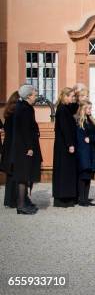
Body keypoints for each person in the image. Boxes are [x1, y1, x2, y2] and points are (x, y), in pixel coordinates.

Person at [11, 85, 43, 215]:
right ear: (28, 96)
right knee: (23, 177)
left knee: (24, 176)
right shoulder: (25, 109)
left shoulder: (23, 107)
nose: (36, 96)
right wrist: (29, 147)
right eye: (34, 94)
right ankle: (21, 206)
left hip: (22, 147)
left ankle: (23, 203)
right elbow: (25, 130)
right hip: (24, 148)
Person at [52, 87, 78, 207]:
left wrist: (77, 95)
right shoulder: (62, 109)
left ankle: (68, 197)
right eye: (71, 96)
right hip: (64, 146)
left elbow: (75, 106)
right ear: (65, 96)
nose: (73, 99)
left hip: (66, 145)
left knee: (68, 171)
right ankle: (62, 199)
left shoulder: (66, 108)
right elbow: (65, 128)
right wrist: (70, 144)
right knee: (63, 172)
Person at [75, 101, 95, 206]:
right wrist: (87, 139)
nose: (90, 110)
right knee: (83, 176)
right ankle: (81, 199)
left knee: (89, 176)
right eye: (88, 108)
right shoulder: (79, 122)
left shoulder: (92, 122)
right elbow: (79, 138)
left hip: (91, 152)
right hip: (83, 152)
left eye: (91, 108)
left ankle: (85, 198)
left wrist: (90, 139)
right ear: (83, 109)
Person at [1, 92, 20, 208]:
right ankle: (13, 200)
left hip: (8, 147)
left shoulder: (8, 113)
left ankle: (9, 200)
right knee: (15, 175)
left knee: (10, 176)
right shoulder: (15, 114)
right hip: (13, 147)